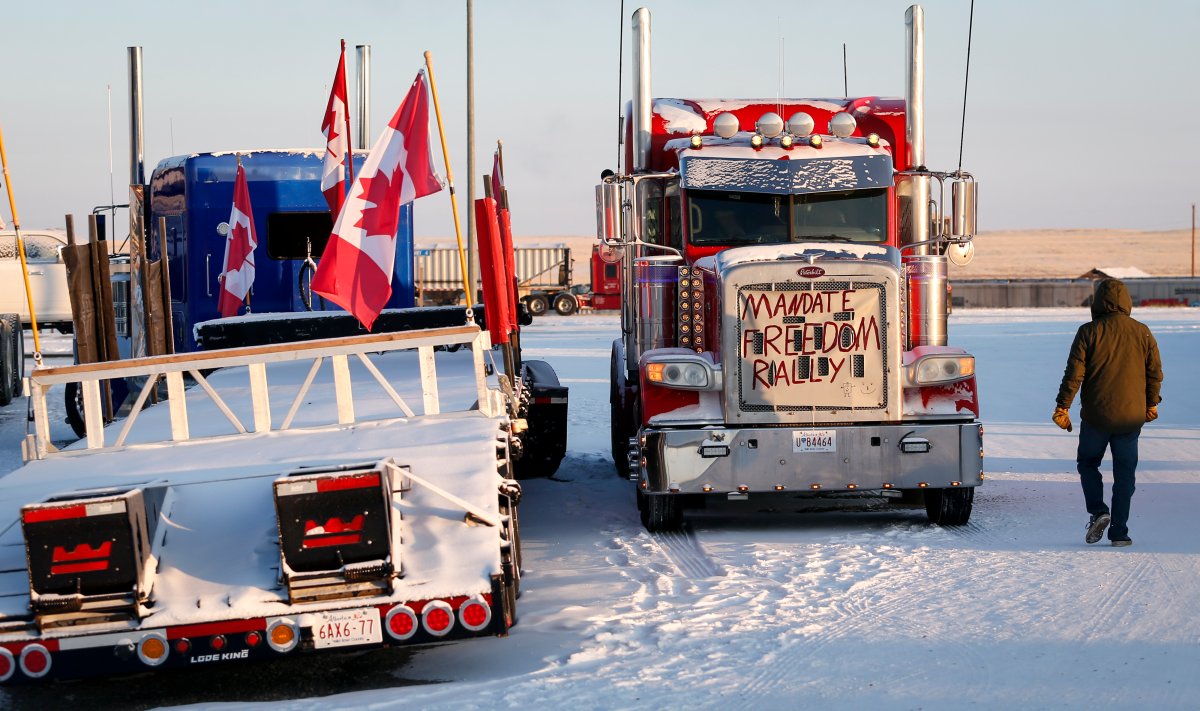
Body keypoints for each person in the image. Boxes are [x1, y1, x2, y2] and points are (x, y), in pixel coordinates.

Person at [1053, 278, 1162, 547]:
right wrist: (1151, 403)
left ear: (1098, 301)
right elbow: (1154, 373)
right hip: (1130, 417)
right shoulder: (1142, 332)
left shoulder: (1088, 331)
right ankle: (1119, 533)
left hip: (1096, 417)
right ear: (1126, 301)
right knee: (1125, 474)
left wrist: (1062, 406)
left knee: (1088, 463)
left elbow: (1074, 373)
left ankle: (1099, 512)